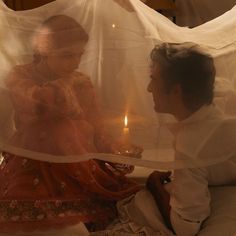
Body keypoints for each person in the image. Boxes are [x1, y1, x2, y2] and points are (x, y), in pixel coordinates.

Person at [0, 15, 141, 233]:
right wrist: (64, 87)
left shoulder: (81, 81)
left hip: (75, 161)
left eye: (79, 55)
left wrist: (116, 150)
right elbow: (35, 106)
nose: (75, 62)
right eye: (67, 55)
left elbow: (96, 127)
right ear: (45, 52)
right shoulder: (21, 75)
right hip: (34, 159)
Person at [146, 42, 236, 235]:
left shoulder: (191, 144)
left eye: (153, 80)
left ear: (177, 90)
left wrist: (154, 186)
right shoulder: (221, 93)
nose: (148, 88)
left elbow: (186, 226)